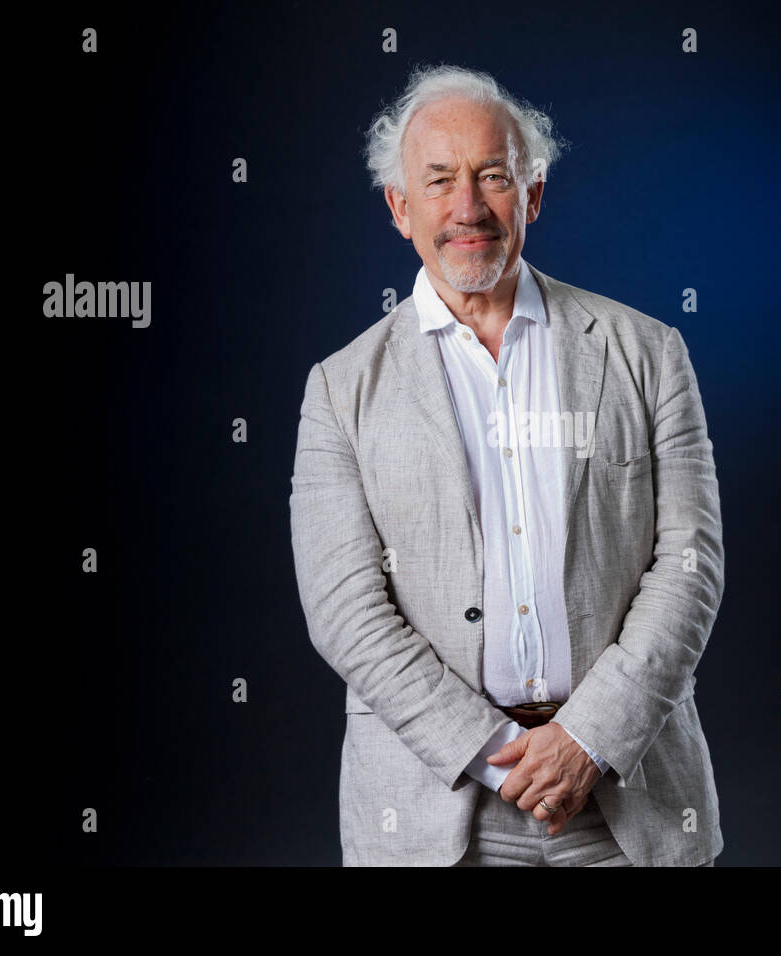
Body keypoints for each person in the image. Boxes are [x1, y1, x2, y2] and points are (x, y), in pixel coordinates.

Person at [289, 63, 724, 866]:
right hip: (435, 812)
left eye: (493, 176)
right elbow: (345, 609)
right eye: (440, 180)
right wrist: (500, 754)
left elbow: (690, 568)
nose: (466, 207)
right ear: (399, 207)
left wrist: (588, 738)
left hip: (624, 797)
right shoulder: (340, 390)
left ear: (532, 195)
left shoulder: (649, 353)